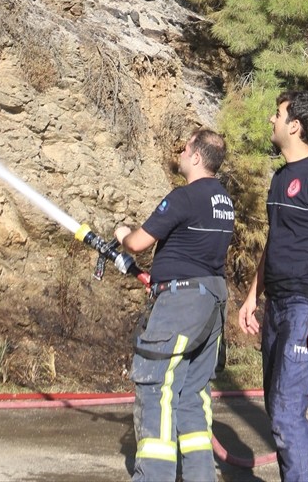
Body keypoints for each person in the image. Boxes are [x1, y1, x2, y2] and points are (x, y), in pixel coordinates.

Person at [238, 90, 308, 482]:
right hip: (278, 305)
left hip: (306, 307)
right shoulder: (281, 177)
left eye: (278, 114)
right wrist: (254, 295)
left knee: (286, 413)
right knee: (276, 409)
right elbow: (275, 240)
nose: (272, 119)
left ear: (295, 125)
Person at [115, 128, 235, 482]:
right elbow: (193, 250)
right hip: (210, 304)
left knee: (157, 388)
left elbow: (138, 243)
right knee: (193, 396)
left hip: (181, 305)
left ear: (196, 157)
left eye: (185, 148)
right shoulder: (223, 200)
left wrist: (121, 233)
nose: (180, 152)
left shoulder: (184, 197)